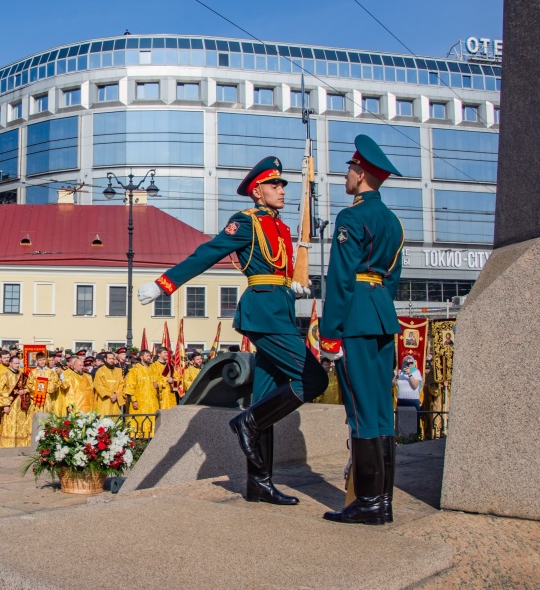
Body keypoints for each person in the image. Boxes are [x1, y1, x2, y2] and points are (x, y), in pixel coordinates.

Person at [138, 155, 327, 506]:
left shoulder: (282, 227)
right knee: (312, 379)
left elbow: (280, 266)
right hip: (263, 311)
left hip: (281, 307)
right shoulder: (246, 222)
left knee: (268, 395)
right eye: (274, 185)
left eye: (283, 184)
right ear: (257, 192)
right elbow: (207, 254)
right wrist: (164, 284)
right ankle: (246, 423)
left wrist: (295, 285)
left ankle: (260, 483)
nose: (282, 190)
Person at [319, 135, 405, 526]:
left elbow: (340, 279)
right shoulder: (393, 220)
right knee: (381, 411)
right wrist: (377, 304)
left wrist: (329, 333)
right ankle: (382, 501)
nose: (346, 174)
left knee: (360, 412)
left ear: (362, 173)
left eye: (351, 169)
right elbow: (393, 278)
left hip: (355, 315)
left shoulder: (350, 217)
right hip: (382, 314)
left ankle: (368, 502)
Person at [124, 349, 164, 438]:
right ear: (141, 357)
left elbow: (161, 380)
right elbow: (130, 387)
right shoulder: (134, 370)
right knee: (139, 424)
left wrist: (158, 384)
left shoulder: (153, 369)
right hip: (140, 403)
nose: (149, 357)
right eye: (147, 356)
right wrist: (134, 401)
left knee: (151, 425)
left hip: (152, 403)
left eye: (150, 356)